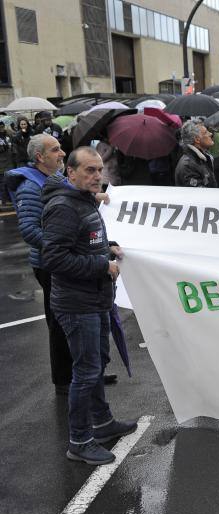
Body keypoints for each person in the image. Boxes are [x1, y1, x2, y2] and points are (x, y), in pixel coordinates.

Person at [41, 146, 137, 465]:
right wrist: (101, 266)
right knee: (85, 371)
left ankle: (103, 422)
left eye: (99, 170)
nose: (97, 176)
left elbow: (86, 243)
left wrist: (107, 248)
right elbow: (54, 258)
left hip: (95, 299)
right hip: (76, 304)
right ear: (71, 173)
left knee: (96, 364)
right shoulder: (63, 206)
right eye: (89, 170)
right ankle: (79, 440)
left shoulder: (84, 201)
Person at [6, 134, 74, 394]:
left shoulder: (53, 179)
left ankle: (83, 373)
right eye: (55, 150)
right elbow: (29, 230)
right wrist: (63, 247)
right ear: (39, 157)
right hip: (50, 264)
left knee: (73, 319)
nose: (62, 154)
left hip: (61, 260)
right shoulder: (30, 187)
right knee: (58, 322)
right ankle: (64, 382)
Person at [174, 119, 216, 188]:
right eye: (205, 132)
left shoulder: (201, 158)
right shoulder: (188, 166)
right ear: (197, 139)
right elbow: (199, 197)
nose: (210, 134)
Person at [0, 122, 13, 205]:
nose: (1, 128)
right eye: (0, 127)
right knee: (2, 181)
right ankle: (3, 199)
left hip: (9, 161)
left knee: (9, 180)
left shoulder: (8, 134)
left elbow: (12, 144)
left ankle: (9, 198)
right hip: (1, 161)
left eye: (2, 126)